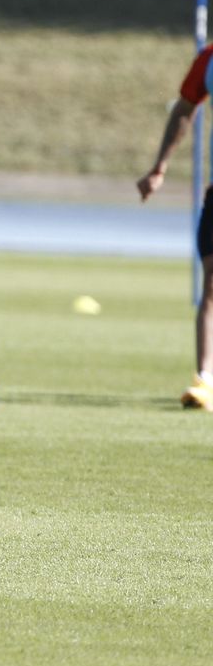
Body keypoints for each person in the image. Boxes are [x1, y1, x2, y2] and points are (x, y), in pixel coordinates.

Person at [135, 48, 213, 410]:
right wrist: (159, 168)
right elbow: (184, 108)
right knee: (211, 282)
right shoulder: (209, 59)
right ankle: (205, 380)